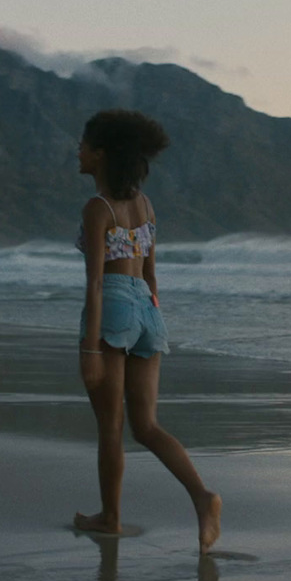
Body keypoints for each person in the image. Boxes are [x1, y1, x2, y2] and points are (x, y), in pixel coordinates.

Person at [72, 109, 221, 554]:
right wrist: (150, 313)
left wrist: (89, 347)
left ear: (100, 154)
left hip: (114, 304)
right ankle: (202, 496)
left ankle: (111, 517)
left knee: (110, 427)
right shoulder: (145, 204)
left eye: (82, 145)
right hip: (147, 307)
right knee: (147, 425)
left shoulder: (98, 207)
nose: (76, 153)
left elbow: (97, 281)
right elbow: (152, 274)